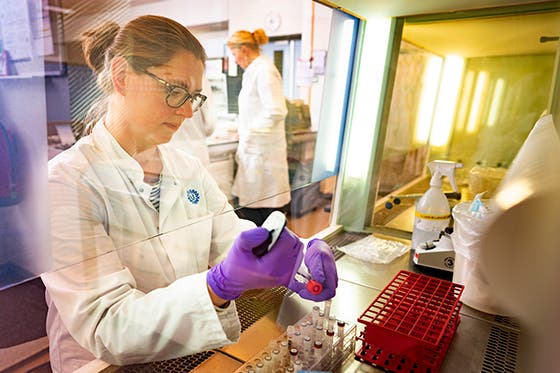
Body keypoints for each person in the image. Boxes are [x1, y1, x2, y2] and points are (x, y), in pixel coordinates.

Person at [40, 15, 337, 373]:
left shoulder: (186, 168)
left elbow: (232, 237)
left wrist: (294, 261)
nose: (185, 111)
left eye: (193, 96)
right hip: (102, 366)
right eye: (175, 89)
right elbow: (108, 326)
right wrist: (216, 286)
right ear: (121, 77)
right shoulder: (65, 183)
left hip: (185, 355)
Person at [227, 28, 291, 226]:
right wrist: (241, 129)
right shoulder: (254, 71)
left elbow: (276, 111)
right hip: (256, 153)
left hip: (262, 155)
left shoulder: (264, 71)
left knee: (264, 216)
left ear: (244, 49)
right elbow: (255, 111)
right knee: (253, 212)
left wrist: (249, 133)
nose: (235, 60)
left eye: (234, 54)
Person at [170, 74, 215, 167]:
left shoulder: (160, 75)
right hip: (196, 151)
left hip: (169, 152)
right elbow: (210, 124)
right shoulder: (200, 78)